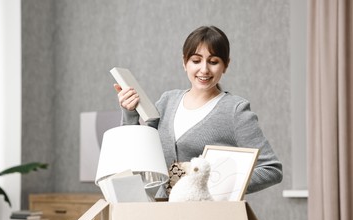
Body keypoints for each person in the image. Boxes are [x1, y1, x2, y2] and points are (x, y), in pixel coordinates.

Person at [114, 25, 282, 194]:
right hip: (165, 211)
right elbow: (137, 155)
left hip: (207, 215)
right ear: (184, 62)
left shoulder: (235, 111)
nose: (204, 69)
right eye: (196, 61)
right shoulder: (167, 101)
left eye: (213, 62)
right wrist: (129, 113)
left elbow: (272, 169)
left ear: (226, 65)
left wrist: (212, 184)